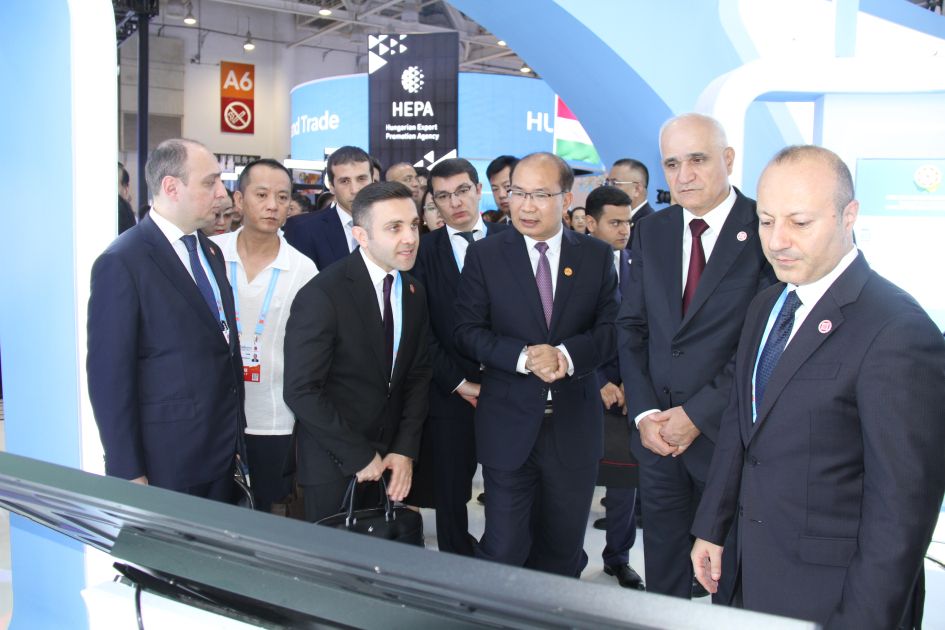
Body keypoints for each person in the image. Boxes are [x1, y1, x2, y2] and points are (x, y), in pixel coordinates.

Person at [691, 145, 945, 629]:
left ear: (849, 216)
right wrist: (713, 527)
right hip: (747, 572)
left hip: (832, 597)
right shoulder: (767, 305)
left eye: (800, 222)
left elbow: (902, 511)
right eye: (766, 221)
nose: (778, 240)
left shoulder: (897, 330)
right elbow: (742, 427)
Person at [616, 113, 774, 600]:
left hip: (729, 442)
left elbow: (763, 344)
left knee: (730, 577)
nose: (683, 175)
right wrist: (645, 414)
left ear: (728, 159)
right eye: (672, 164)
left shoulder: (765, 230)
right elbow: (632, 327)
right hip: (658, 439)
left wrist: (696, 415)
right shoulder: (651, 231)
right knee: (663, 573)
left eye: (697, 160)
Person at [454, 152, 618, 577]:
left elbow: (613, 328)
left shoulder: (596, 256)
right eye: (518, 193)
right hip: (508, 425)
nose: (526, 206)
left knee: (562, 551)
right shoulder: (486, 255)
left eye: (540, 195)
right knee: (504, 547)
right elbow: (467, 331)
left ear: (566, 199)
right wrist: (523, 357)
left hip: (573, 427)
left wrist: (565, 356)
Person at [88, 138, 244, 501]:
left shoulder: (210, 251)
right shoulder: (123, 261)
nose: (222, 194)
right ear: (171, 187)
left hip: (220, 452)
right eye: (210, 182)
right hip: (166, 460)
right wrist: (127, 470)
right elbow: (109, 376)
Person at [283, 181, 432, 522]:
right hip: (335, 462)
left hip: (392, 461)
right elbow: (301, 390)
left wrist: (404, 448)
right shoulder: (323, 294)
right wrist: (358, 455)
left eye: (413, 225)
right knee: (331, 556)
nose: (410, 237)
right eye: (394, 227)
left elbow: (418, 374)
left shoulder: (413, 291)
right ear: (361, 236)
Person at [408, 158, 508, 556]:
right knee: (451, 487)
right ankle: (455, 559)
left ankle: (504, 554)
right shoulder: (422, 252)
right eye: (444, 196)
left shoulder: (511, 240)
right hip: (448, 389)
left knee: (510, 482)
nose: (456, 203)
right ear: (433, 202)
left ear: (479, 190)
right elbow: (419, 330)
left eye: (463, 191)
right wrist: (459, 383)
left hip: (510, 384)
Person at [210, 159, 318, 512]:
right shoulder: (211, 254)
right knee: (215, 510)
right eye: (262, 195)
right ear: (238, 200)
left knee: (268, 511)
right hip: (214, 413)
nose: (273, 205)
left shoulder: (303, 269)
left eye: (282, 197)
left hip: (274, 417)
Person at [582, 185, 643, 590]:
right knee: (575, 481)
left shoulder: (639, 264)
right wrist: (600, 380)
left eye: (628, 222)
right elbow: (567, 331)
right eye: (615, 222)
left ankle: (618, 558)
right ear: (591, 223)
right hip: (583, 388)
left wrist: (630, 382)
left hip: (630, 390)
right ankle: (568, 557)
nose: (624, 230)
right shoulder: (572, 265)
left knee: (625, 485)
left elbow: (647, 329)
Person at [283, 146, 372, 270]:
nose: (355, 190)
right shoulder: (303, 229)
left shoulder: (392, 225)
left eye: (361, 179)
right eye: (345, 181)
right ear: (331, 186)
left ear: (373, 181)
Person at [606, 158, 655, 245]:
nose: (608, 189)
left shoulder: (650, 226)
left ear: (637, 189)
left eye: (614, 183)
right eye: (607, 183)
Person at [486, 155, 518, 223]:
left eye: (507, 186)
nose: (501, 195)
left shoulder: (539, 226)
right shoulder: (494, 226)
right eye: (495, 189)